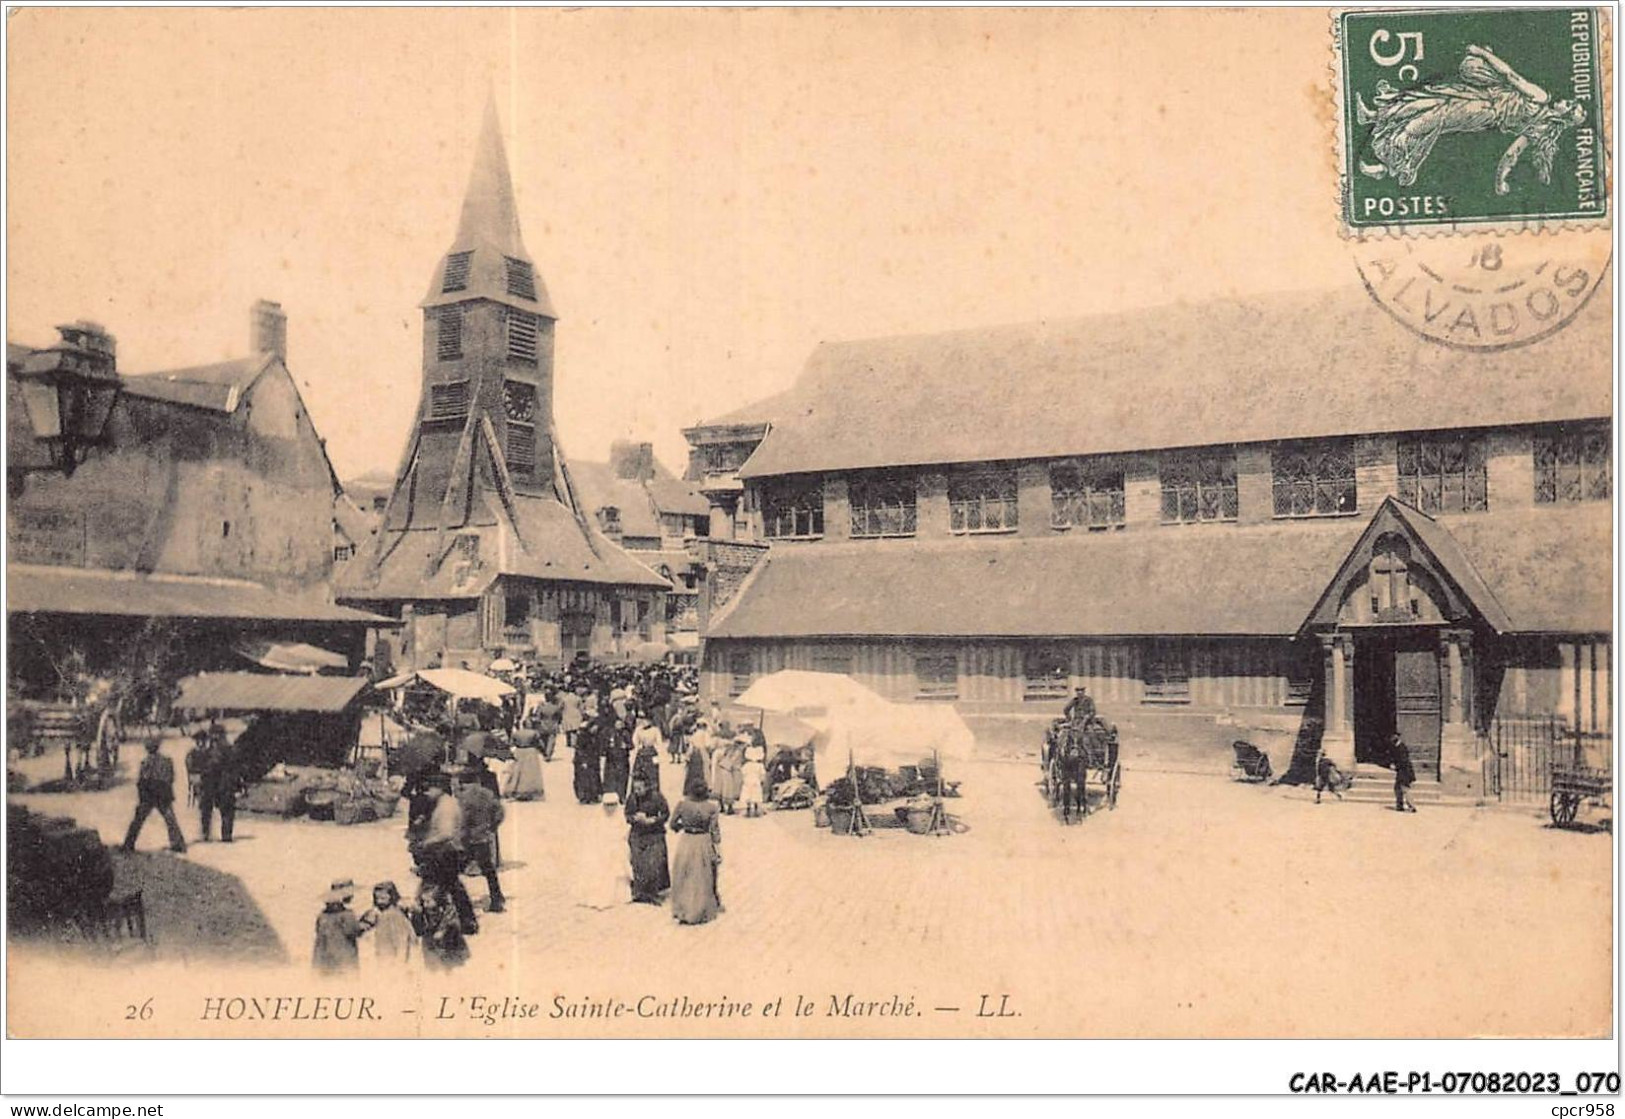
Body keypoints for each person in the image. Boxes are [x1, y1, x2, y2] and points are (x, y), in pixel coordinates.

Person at [416, 777, 479, 934]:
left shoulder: (446, 807)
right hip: (448, 852)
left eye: (429, 789)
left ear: (439, 788)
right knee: (452, 886)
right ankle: (466, 921)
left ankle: (425, 922)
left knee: (436, 885)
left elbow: (446, 833)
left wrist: (426, 842)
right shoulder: (446, 803)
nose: (427, 793)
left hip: (446, 852)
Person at [669, 771, 722, 925]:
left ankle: (683, 910)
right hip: (703, 841)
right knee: (702, 876)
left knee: (684, 875)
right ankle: (701, 910)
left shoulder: (682, 805)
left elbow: (673, 825)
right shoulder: (711, 808)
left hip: (686, 841)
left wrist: (684, 825)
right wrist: (717, 850)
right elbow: (715, 832)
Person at [120, 737, 188, 854]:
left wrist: (142, 797)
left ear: (147, 749)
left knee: (138, 820)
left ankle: (128, 844)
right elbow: (171, 778)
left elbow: (142, 782)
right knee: (170, 820)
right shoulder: (167, 761)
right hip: (163, 795)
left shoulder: (145, 763)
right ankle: (178, 844)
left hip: (149, 795)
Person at [458, 775, 507, 914]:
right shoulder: (487, 794)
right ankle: (497, 898)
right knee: (488, 870)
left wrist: (460, 837)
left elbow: (463, 820)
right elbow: (500, 812)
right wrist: (492, 826)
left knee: (456, 869)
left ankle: (460, 903)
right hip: (484, 837)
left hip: (469, 839)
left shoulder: (464, 798)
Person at [578, 793, 631, 910]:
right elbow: (593, 835)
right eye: (607, 805)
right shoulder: (598, 818)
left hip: (617, 846)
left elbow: (625, 831)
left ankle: (619, 895)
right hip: (602, 848)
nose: (610, 808)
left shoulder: (620, 817)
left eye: (612, 805)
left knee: (617, 864)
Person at [625, 773, 671, 904]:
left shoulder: (657, 797)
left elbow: (666, 814)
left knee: (654, 863)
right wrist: (634, 818)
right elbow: (627, 814)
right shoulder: (632, 798)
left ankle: (653, 892)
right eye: (635, 789)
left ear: (646, 787)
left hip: (654, 833)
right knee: (637, 862)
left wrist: (653, 820)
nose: (637, 791)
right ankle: (640, 892)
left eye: (640, 788)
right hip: (637, 833)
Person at [358, 880, 415, 967]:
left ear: (391, 897)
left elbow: (402, 942)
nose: (379, 902)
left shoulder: (395, 915)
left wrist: (400, 962)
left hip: (393, 958)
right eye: (377, 899)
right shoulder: (378, 913)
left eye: (383, 899)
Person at [198, 733, 243, 842]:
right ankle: (226, 835)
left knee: (207, 810)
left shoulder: (211, 751)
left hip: (213, 784)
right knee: (227, 811)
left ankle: (206, 833)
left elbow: (209, 767)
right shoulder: (231, 751)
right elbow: (236, 769)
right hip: (225, 785)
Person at [415, 882, 469, 970]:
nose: (425, 904)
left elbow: (451, 921)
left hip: (448, 940)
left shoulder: (448, 910)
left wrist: (443, 930)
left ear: (438, 900)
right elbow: (419, 928)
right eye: (423, 901)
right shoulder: (425, 911)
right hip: (431, 943)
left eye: (428, 901)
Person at [313, 879, 362, 973]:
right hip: (345, 960)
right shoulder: (347, 914)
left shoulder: (322, 915)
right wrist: (365, 923)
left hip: (325, 959)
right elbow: (353, 931)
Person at [504, 725, 546, 801]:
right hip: (531, 752)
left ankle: (516, 790)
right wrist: (544, 753)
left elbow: (511, 743)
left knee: (517, 772)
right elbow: (540, 744)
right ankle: (529, 790)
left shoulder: (516, 733)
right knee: (530, 772)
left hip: (519, 751)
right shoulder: (534, 733)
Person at [1389, 731, 1417, 813]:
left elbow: (1404, 761)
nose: (1392, 738)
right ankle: (1399, 806)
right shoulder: (1397, 747)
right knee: (1397, 788)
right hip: (1401, 771)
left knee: (1405, 788)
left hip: (1405, 771)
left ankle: (1412, 806)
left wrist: (1395, 766)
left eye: (1394, 736)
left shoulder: (1401, 747)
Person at [533, 688, 562, 762]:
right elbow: (559, 717)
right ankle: (548, 754)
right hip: (553, 724)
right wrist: (558, 723)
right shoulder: (556, 707)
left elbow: (538, 716)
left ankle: (545, 752)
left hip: (543, 724)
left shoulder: (541, 707)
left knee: (543, 739)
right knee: (551, 740)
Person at [740, 743, 768, 818]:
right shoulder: (759, 765)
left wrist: (743, 779)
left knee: (748, 795)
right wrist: (762, 780)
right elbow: (762, 774)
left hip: (748, 780)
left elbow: (743, 773)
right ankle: (756, 810)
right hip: (756, 780)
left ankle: (748, 810)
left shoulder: (746, 765)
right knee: (756, 795)